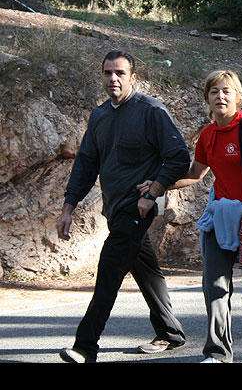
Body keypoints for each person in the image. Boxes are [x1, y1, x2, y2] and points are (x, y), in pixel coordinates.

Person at [140, 69, 242, 363]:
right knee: (215, 285)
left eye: (226, 91)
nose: (220, 96)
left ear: (237, 97)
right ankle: (218, 354)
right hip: (220, 215)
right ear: (207, 98)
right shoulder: (207, 135)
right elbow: (195, 174)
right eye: (214, 91)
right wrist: (159, 185)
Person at [56, 50, 190, 363]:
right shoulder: (100, 116)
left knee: (109, 271)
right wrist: (68, 208)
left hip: (137, 208)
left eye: (120, 73)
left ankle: (85, 347)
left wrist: (152, 193)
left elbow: (178, 157)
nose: (113, 79)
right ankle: (170, 331)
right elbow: (86, 164)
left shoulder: (151, 111)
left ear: (133, 77)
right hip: (115, 210)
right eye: (107, 73)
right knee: (145, 269)